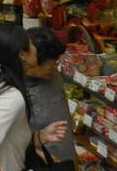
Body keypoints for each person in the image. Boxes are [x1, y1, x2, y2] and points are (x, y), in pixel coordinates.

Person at [0, 25, 68, 171]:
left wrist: (39, 137)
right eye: (31, 45)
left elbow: (7, 140)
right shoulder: (13, 97)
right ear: (23, 54)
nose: (35, 48)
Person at [26, 27, 76, 163]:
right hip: (41, 162)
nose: (55, 68)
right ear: (32, 61)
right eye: (50, 64)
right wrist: (33, 151)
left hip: (65, 157)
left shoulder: (53, 76)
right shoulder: (13, 92)